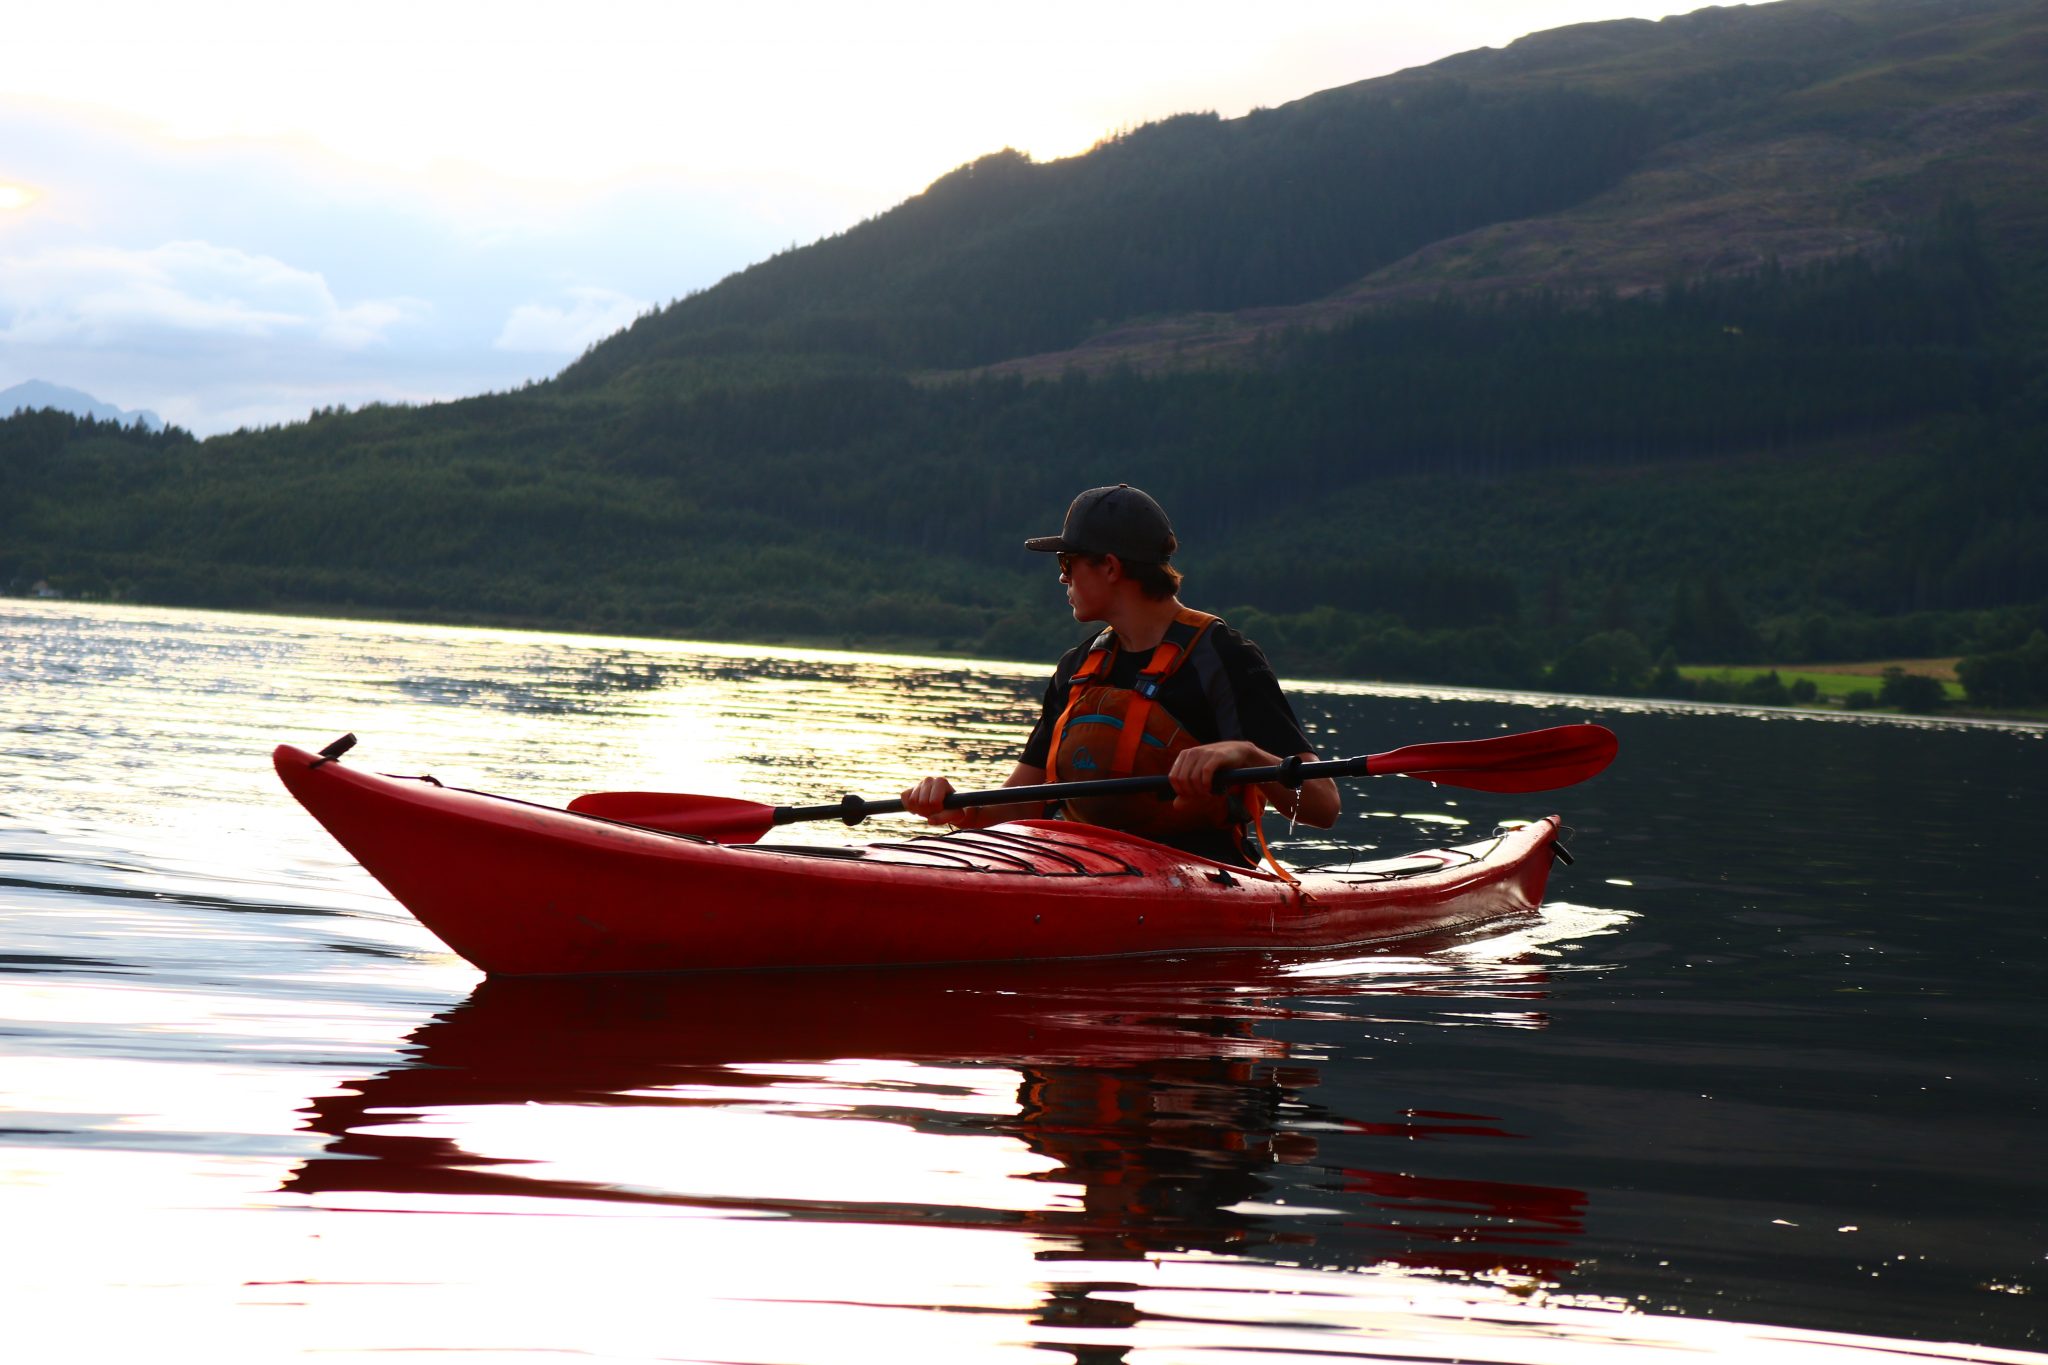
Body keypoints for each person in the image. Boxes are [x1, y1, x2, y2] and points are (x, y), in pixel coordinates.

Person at [902, 483, 1339, 867]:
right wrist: (957, 808)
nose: (1062, 578)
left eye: (1067, 562)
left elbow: (1322, 807)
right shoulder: (1077, 668)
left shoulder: (1223, 657)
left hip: (1200, 874)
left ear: (1110, 567)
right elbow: (1022, 803)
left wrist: (1247, 756)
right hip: (1077, 865)